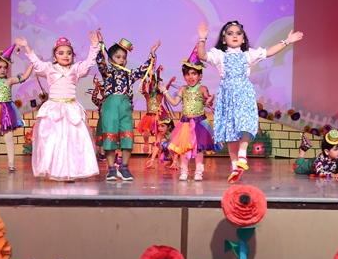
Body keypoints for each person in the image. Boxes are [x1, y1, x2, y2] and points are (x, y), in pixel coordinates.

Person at [197, 20, 303, 183]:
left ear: (243, 38)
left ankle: (242, 155)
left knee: (245, 122)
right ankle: (235, 167)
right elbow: (202, 56)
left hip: (243, 92)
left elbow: (268, 52)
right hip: (227, 95)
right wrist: (202, 39)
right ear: (224, 38)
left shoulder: (247, 54)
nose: (234, 36)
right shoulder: (219, 55)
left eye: (238, 33)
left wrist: (287, 41)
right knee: (231, 132)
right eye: (230, 33)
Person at [15, 32, 100, 182]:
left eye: (68, 53)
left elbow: (89, 63)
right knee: (54, 141)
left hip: (71, 109)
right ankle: (56, 170)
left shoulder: (76, 69)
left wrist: (94, 45)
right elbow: (36, 63)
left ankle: (71, 171)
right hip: (54, 110)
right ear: (54, 56)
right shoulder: (49, 68)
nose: (65, 56)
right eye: (61, 53)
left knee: (73, 141)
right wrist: (26, 46)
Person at [95, 30, 160, 182]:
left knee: (127, 136)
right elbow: (100, 61)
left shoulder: (129, 74)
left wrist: (152, 53)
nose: (122, 60)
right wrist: (100, 44)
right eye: (118, 57)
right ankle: (111, 169)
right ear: (111, 59)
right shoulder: (107, 72)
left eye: (124, 58)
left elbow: (144, 69)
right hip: (110, 107)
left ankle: (124, 167)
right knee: (110, 136)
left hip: (125, 107)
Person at [162, 46, 215, 181]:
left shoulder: (202, 88)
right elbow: (175, 102)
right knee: (183, 148)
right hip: (185, 123)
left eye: (194, 73)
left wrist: (209, 100)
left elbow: (207, 100)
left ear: (200, 75)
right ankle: (184, 170)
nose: (190, 77)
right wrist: (165, 92)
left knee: (198, 148)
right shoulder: (183, 89)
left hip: (199, 123)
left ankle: (199, 171)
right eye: (187, 74)